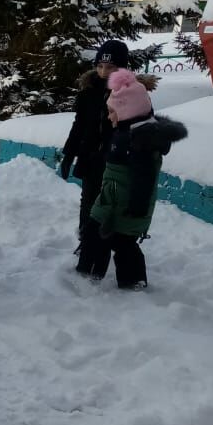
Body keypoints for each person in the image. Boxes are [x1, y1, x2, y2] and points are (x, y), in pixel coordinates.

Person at [77, 69, 187, 289]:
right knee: (93, 233)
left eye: (111, 112)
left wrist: (137, 207)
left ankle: (132, 281)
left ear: (127, 112)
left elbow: (144, 177)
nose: (109, 117)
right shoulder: (127, 133)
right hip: (111, 198)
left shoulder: (141, 141)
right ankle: (87, 273)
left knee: (122, 243)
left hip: (124, 205)